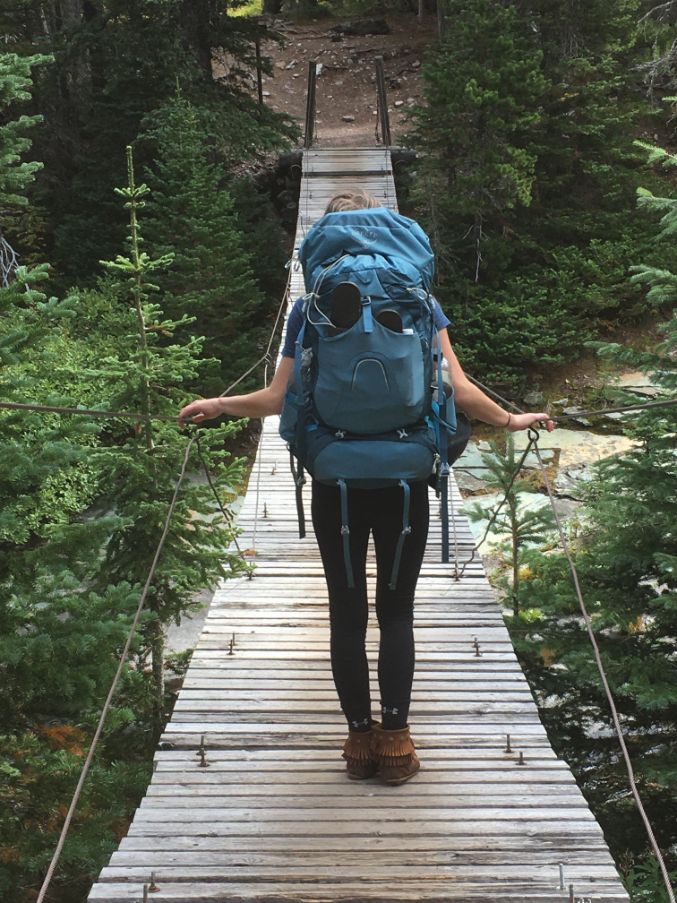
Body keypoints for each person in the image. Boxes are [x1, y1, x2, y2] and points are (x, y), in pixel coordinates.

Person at [179, 189, 554, 786]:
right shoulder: (417, 299)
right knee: (397, 610)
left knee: (347, 612)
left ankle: (358, 738)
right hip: (407, 475)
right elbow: (455, 388)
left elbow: (277, 399)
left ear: (323, 243)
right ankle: (398, 742)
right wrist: (510, 420)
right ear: (387, 233)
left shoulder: (311, 308)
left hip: (338, 477)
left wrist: (219, 405)